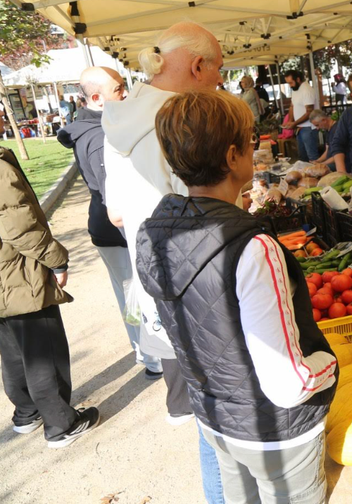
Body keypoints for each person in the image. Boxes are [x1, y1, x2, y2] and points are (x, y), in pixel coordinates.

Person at [138, 89, 337, 504]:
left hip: (215, 421)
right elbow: (287, 383)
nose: (255, 148)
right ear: (232, 157)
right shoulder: (253, 248)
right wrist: (331, 365)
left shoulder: (152, 232)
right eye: (250, 142)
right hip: (274, 433)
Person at [101, 21, 226, 504]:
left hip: (158, 279)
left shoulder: (121, 117)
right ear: (198, 66)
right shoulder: (180, 120)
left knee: (205, 408)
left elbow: (114, 212)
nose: (218, 81)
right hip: (196, 287)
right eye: (217, 71)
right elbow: (203, 214)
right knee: (217, 415)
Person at [58, 67, 165, 379]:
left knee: (130, 291)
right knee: (134, 293)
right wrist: (134, 236)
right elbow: (112, 201)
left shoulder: (99, 126)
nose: (125, 94)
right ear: (96, 98)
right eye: (119, 89)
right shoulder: (96, 138)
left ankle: (148, 352)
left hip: (112, 228)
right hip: (116, 231)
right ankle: (151, 356)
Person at [0, 146, 101, 448]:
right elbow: (20, 227)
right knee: (43, 351)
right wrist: (56, 259)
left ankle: (27, 412)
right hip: (18, 274)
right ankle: (61, 424)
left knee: (12, 349)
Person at [283, 70, 320, 162]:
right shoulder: (295, 89)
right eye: (288, 83)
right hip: (300, 128)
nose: (290, 85)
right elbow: (292, 106)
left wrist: (294, 123)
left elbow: (309, 112)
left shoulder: (307, 90)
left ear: (298, 79)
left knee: (312, 157)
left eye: (291, 82)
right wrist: (290, 121)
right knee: (302, 158)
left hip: (308, 128)